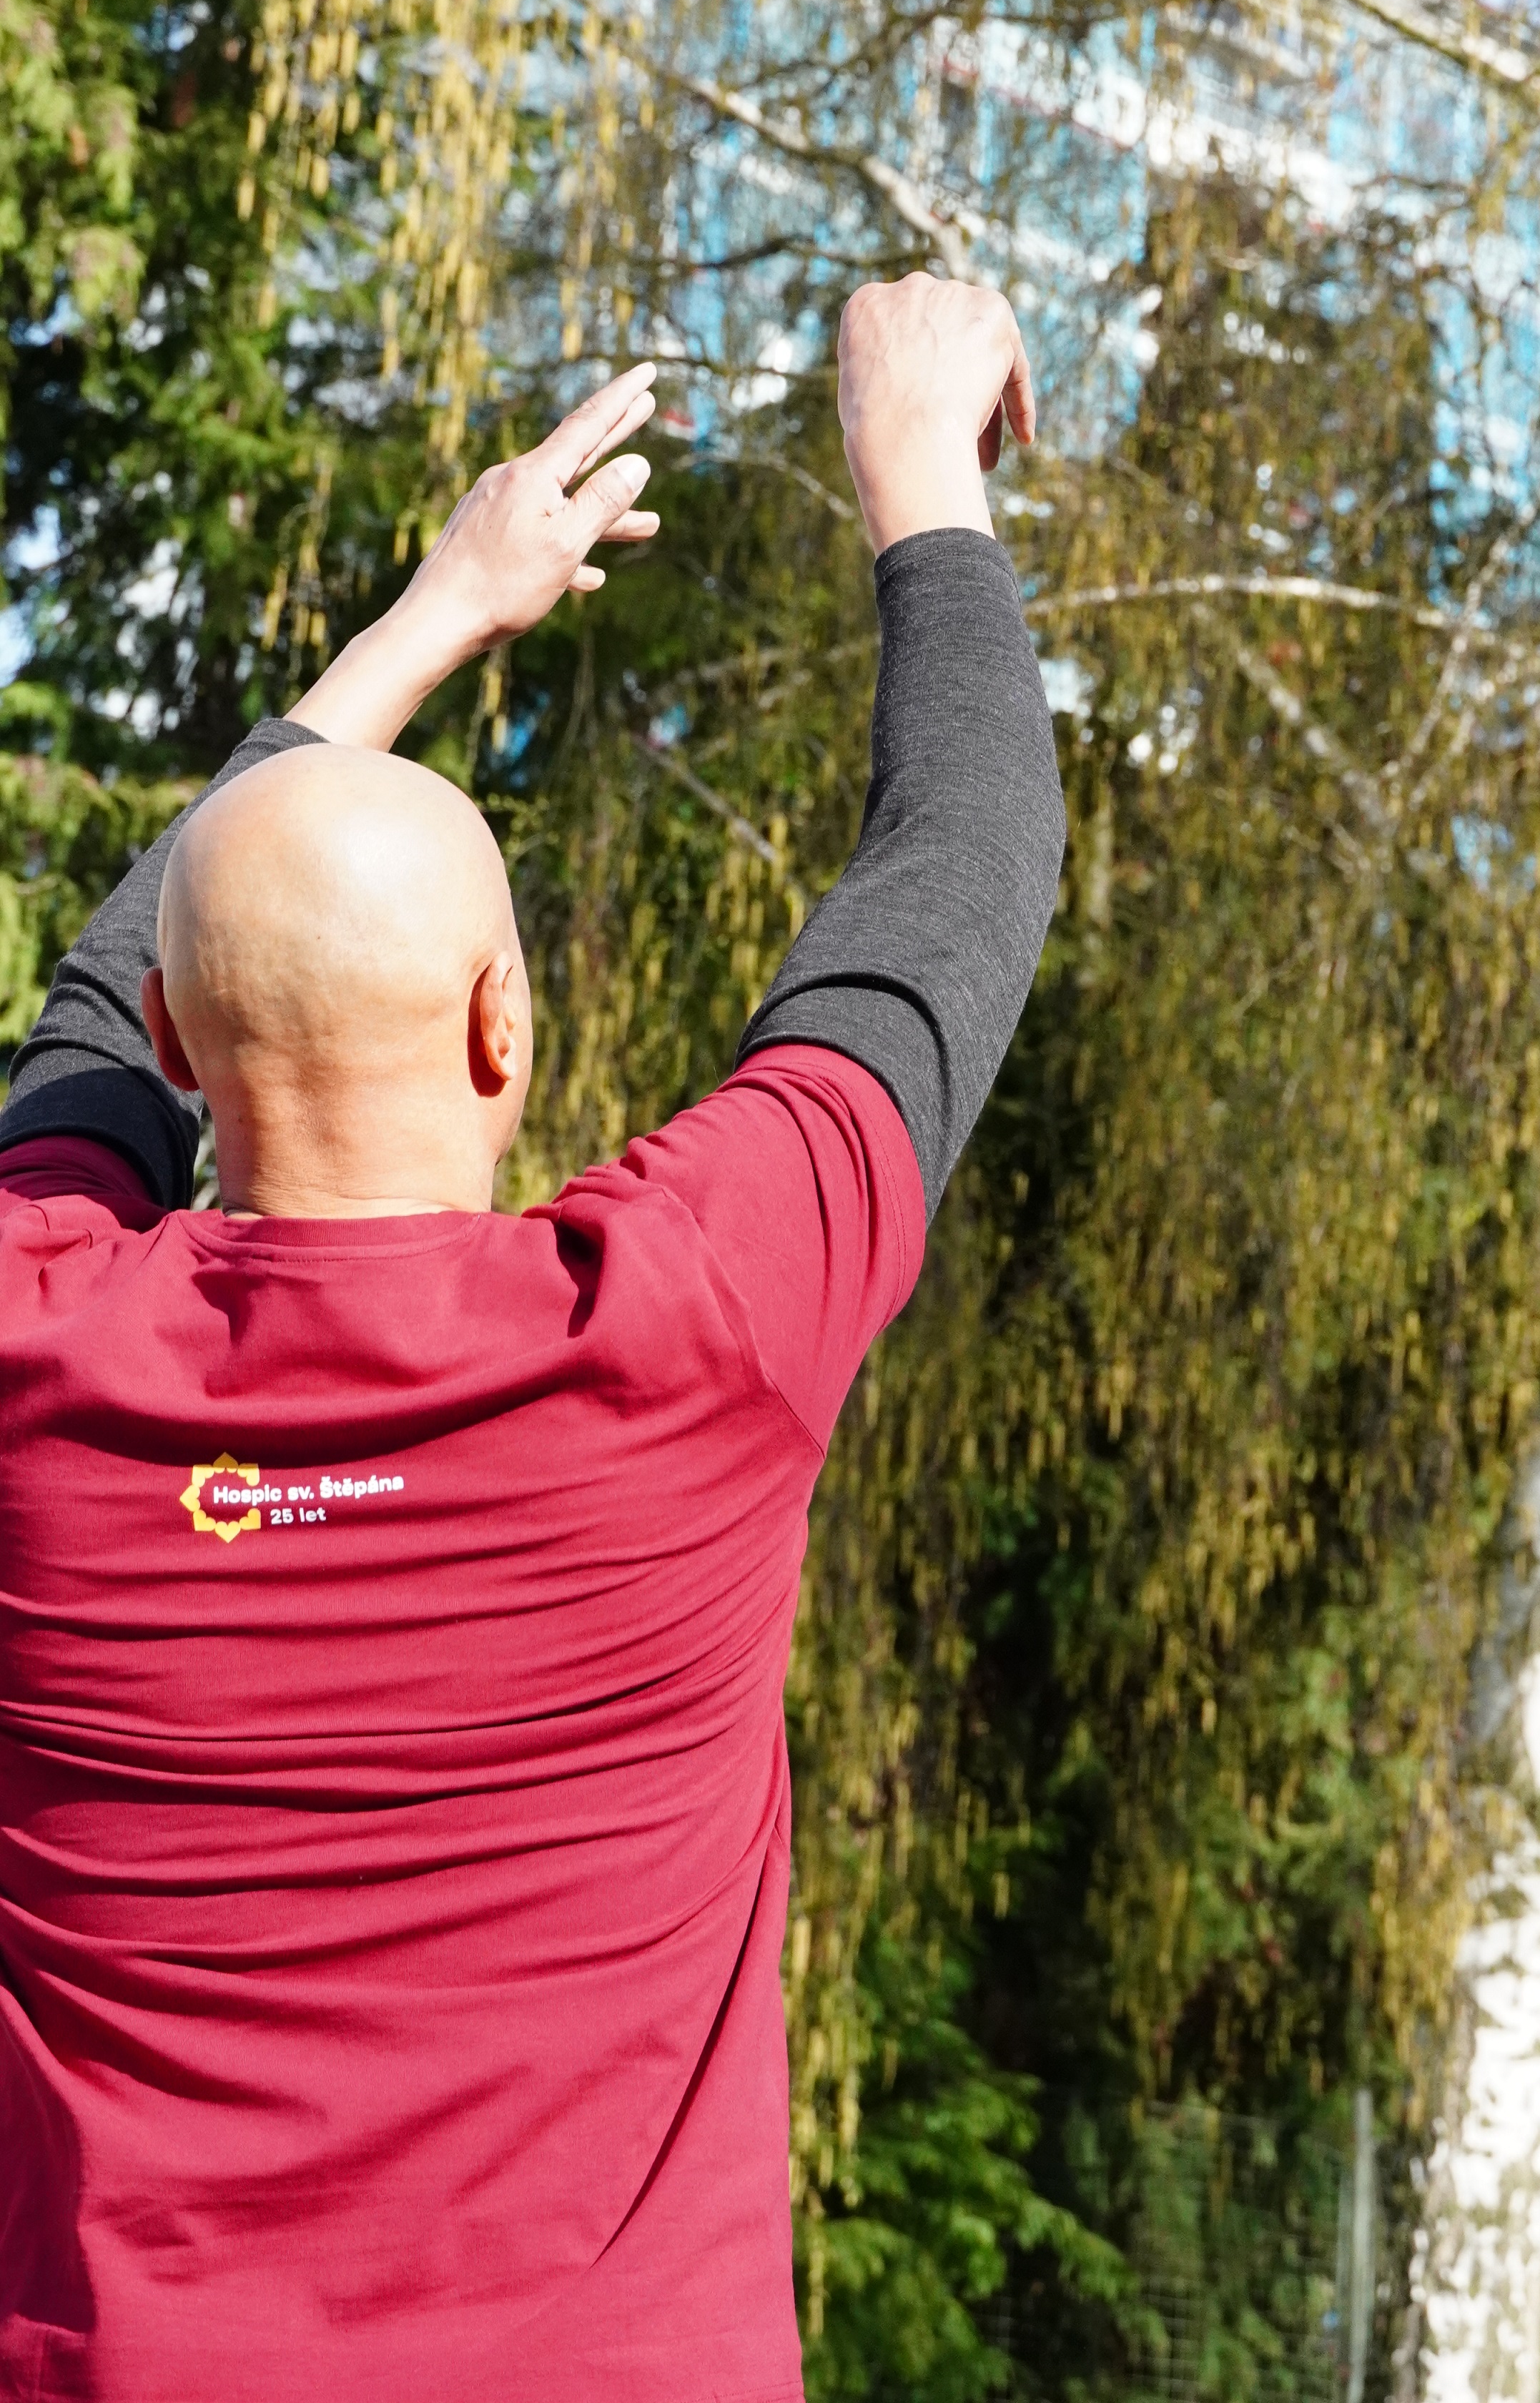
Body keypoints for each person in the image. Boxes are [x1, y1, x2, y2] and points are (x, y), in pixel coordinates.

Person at [0, 274, 1065, 2403]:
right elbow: (958, 872)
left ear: (191, 1057)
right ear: (510, 1024)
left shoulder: (35, 1360)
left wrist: (429, 618)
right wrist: (917, 468)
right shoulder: (688, 1332)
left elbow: (104, 997)